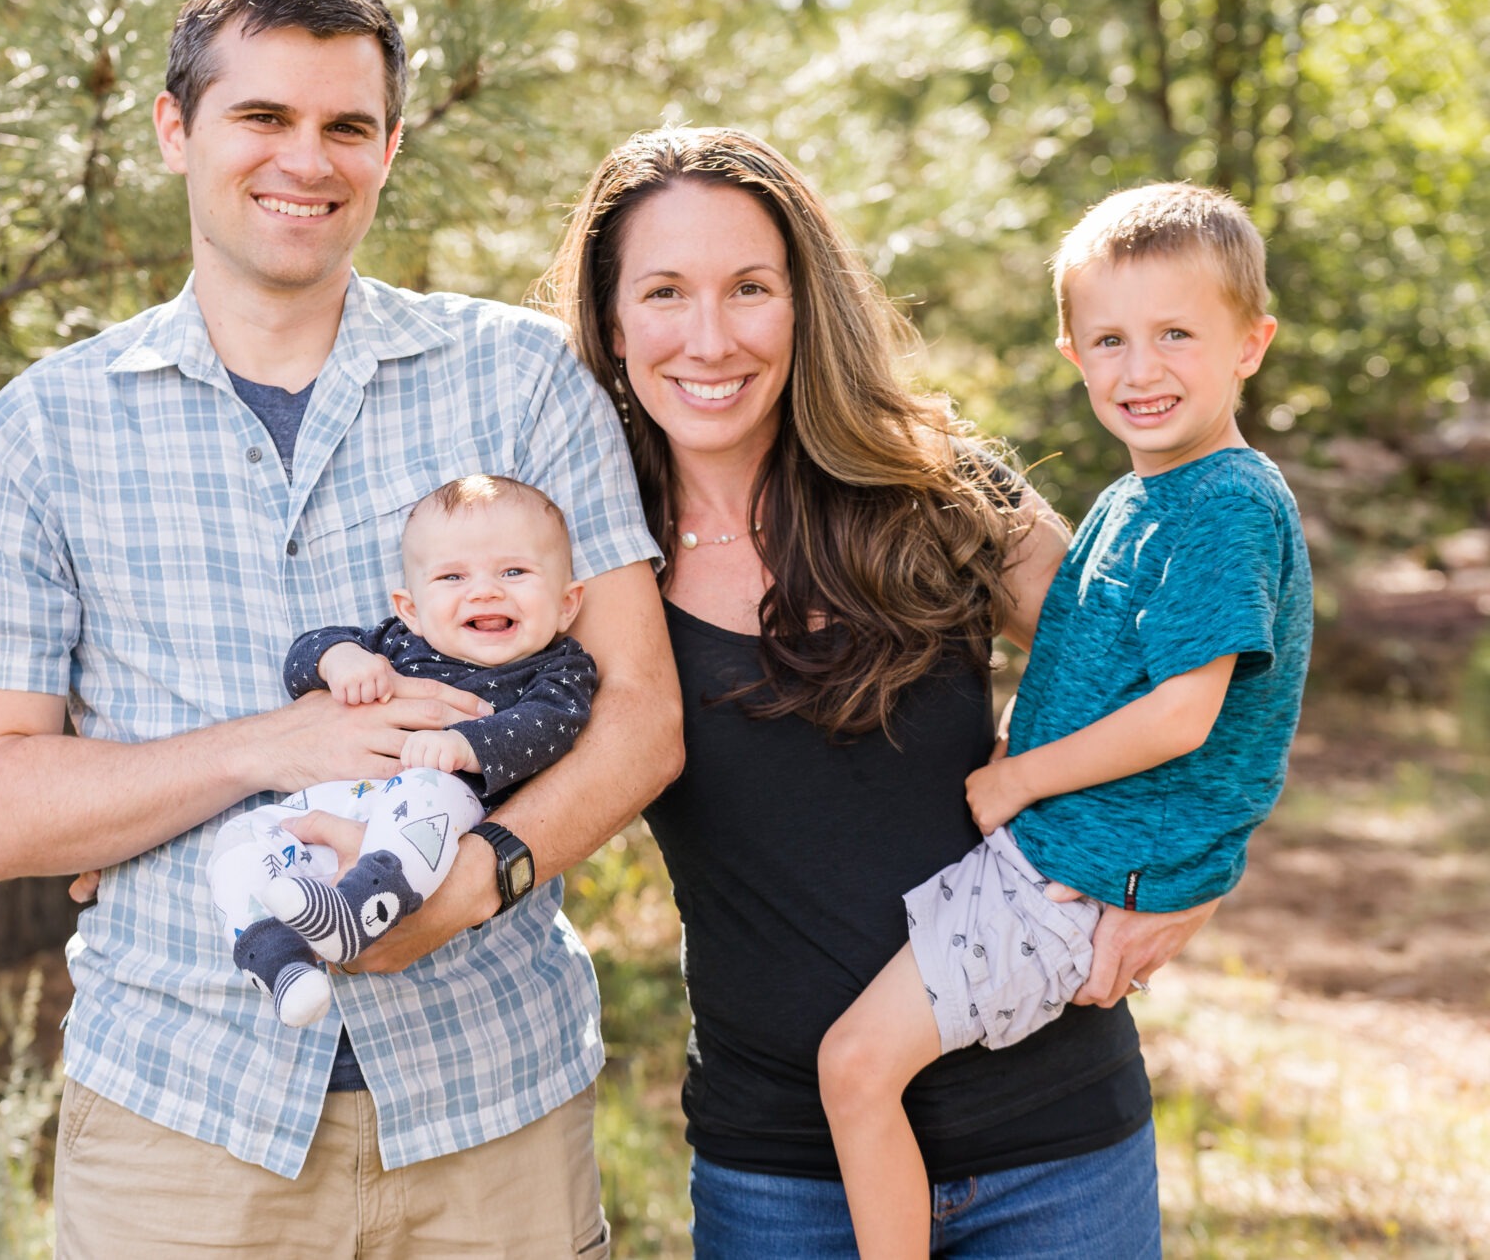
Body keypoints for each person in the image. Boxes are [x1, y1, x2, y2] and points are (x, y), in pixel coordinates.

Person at [0, 0, 680, 1257]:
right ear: (176, 129)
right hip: (181, 1124)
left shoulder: (518, 380)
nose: (307, 160)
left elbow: (644, 717)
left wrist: (465, 889)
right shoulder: (40, 433)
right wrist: (260, 750)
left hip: (490, 1108)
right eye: (262, 118)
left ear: (389, 148)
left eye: (346, 126)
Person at [541, 126, 1221, 1258]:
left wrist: (1192, 881)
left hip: (1051, 1145)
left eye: (748, 287)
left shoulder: (935, 485)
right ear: (610, 322)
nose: (708, 338)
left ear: (805, 302)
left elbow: (1175, 677)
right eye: (663, 292)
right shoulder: (587, 555)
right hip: (782, 1171)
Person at [812, 182, 1314, 1256]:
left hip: (1064, 881)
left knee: (854, 1068)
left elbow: (1182, 715)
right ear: (1070, 351)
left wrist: (1015, 777)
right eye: (1108, 339)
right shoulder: (1144, 496)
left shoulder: (1223, 503)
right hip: (1055, 862)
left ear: (1249, 343)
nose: (1139, 369)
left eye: (1175, 333)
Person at [217, 473, 596, 1028]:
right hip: (346, 799)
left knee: (424, 787)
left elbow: (552, 725)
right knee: (242, 838)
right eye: (452, 576)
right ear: (411, 607)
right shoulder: (396, 641)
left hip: (442, 808)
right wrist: (339, 659)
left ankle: (352, 913)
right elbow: (304, 655)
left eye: (514, 571)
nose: (486, 590)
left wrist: (463, 744)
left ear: (566, 604)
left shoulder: (558, 667)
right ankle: (283, 964)